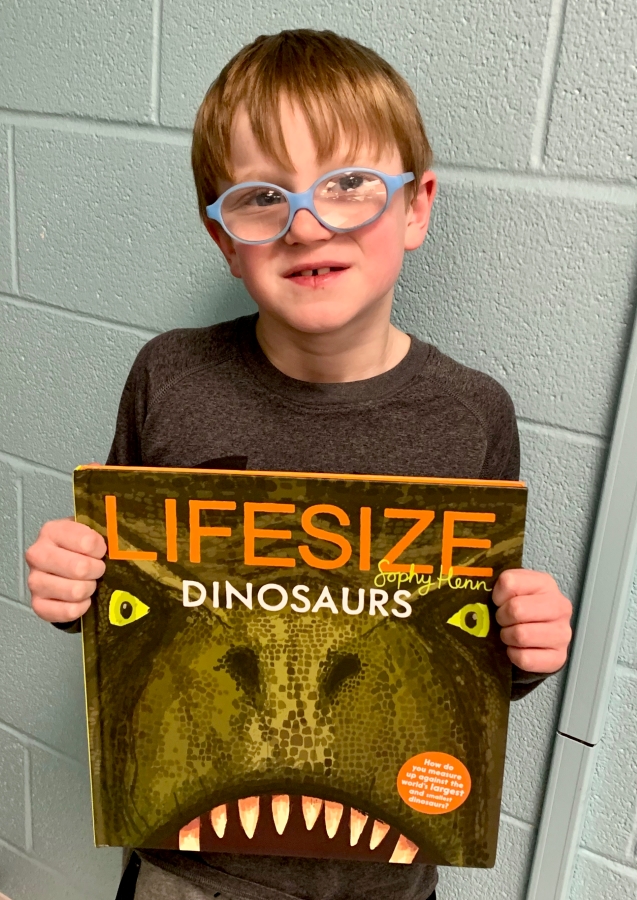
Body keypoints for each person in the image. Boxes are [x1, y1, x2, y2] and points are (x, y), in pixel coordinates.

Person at [25, 29, 572, 900]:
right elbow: (129, 615)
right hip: (191, 866)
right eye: (260, 197)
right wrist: (71, 589)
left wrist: (524, 649)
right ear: (221, 237)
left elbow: (464, 673)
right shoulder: (169, 377)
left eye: (349, 183)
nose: (307, 221)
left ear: (417, 206)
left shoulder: (472, 416)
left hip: (384, 872)